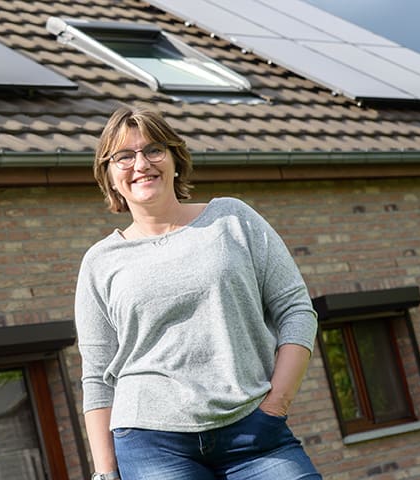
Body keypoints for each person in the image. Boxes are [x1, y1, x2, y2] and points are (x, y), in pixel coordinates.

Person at [74, 104, 322, 480]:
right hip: (151, 443)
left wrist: (278, 403)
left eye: (154, 150)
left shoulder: (232, 219)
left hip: (254, 432)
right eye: (124, 156)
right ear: (109, 176)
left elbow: (296, 310)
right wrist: (106, 473)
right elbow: (96, 376)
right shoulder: (99, 261)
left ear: (175, 158)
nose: (141, 164)